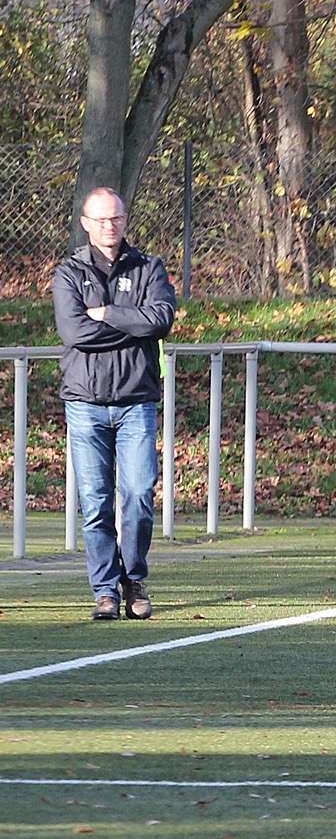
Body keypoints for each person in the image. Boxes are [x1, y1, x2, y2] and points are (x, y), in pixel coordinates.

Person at [53, 187, 177, 621]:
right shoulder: (69, 273)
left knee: (139, 493)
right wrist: (132, 323)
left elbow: (160, 319)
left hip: (136, 401)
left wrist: (106, 313)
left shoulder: (148, 267)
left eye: (116, 218)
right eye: (101, 219)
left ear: (125, 220)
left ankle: (134, 578)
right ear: (85, 223)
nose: (110, 226)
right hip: (85, 403)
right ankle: (105, 590)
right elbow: (75, 333)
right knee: (96, 502)